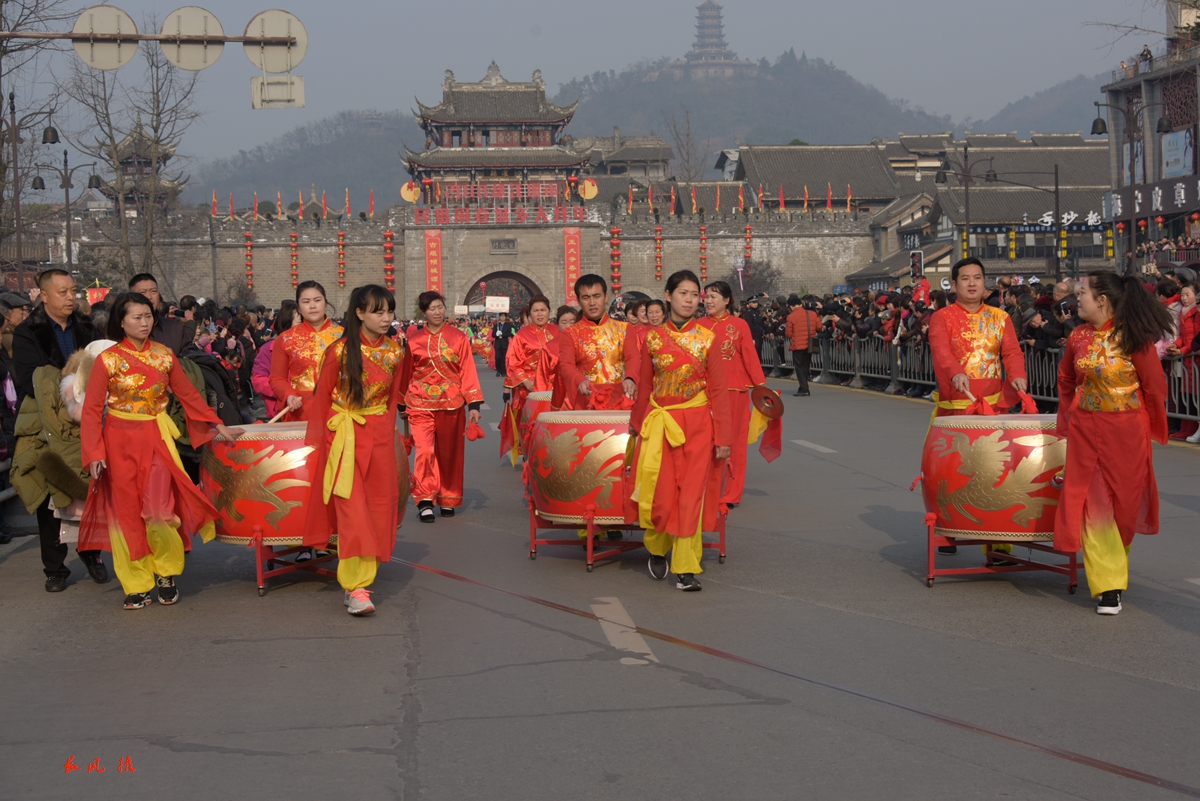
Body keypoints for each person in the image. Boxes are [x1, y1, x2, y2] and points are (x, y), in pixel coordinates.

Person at [79, 293, 243, 609]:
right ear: (121, 321)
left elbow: (188, 394)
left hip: (156, 437)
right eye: (136, 317)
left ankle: (166, 572)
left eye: (148, 316)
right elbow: (92, 409)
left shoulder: (164, 356)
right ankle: (137, 584)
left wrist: (216, 423)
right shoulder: (107, 360)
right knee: (126, 515)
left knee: (159, 511)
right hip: (117, 442)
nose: (144, 322)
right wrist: (94, 452)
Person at [1055, 272, 1172, 615]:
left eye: (1082, 293)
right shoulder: (1077, 336)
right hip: (1085, 429)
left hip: (1127, 431)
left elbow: (1154, 386)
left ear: (1102, 300)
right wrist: (1067, 419)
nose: (1077, 299)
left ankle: (1115, 562)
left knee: (1124, 507)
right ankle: (1108, 586)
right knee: (1093, 505)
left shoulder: (1133, 336)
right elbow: (1066, 379)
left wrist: (1152, 426)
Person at [303, 285, 409, 616]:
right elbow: (322, 400)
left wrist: (391, 437)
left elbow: (392, 399)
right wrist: (320, 444)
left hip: (379, 437)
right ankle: (357, 587)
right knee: (353, 510)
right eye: (378, 311)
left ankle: (361, 580)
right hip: (344, 437)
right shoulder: (338, 351)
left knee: (378, 509)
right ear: (359, 313)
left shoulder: (396, 352)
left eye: (389, 311)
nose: (386, 318)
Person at [631, 270, 732, 592]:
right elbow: (645, 386)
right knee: (661, 496)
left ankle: (686, 568)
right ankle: (657, 547)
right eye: (683, 293)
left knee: (690, 497)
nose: (689, 300)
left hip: (698, 425)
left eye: (694, 294)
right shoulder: (652, 338)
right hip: (661, 424)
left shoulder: (707, 338)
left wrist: (724, 437)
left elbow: (719, 390)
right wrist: (637, 425)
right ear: (668, 295)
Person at [10, 270, 107, 591]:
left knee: (90, 489)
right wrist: (72, 380)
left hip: (87, 420)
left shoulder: (86, 327)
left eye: (73, 291)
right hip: (45, 420)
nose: (70, 297)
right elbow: (30, 379)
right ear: (44, 295)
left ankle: (92, 554)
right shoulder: (28, 332)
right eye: (62, 292)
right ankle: (55, 568)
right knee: (51, 490)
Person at [928, 258, 1028, 558]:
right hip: (956, 407)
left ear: (985, 283)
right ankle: (947, 528)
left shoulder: (1000, 317)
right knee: (950, 473)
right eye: (965, 278)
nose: (972, 283)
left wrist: (1018, 375)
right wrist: (955, 372)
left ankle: (999, 544)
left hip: (993, 410)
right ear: (954, 284)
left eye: (977, 277)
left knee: (997, 474)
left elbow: (1011, 352)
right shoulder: (942, 318)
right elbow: (942, 352)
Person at [407, 291, 483, 523]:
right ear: (424, 313)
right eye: (432, 308)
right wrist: (400, 403)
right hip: (420, 404)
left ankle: (447, 497)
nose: (437, 312)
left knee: (449, 454)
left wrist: (474, 405)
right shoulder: (413, 341)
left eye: (440, 307)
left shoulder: (458, 338)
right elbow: (405, 374)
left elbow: (467, 371)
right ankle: (425, 498)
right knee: (425, 450)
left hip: (452, 404)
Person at [699, 281, 766, 508]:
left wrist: (761, 387)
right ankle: (705, 489)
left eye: (713, 296)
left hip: (734, 391)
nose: (708, 300)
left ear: (727, 300)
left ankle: (730, 494)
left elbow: (749, 357)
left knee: (734, 443)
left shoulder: (739, 325)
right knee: (705, 442)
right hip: (704, 392)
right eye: (707, 296)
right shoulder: (697, 326)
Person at [557, 274, 637, 411]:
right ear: (578, 300)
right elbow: (566, 365)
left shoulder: (624, 329)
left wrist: (631, 377)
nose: (592, 302)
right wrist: (579, 380)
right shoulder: (570, 334)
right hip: (587, 399)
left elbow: (633, 357)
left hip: (620, 399)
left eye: (597, 296)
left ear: (606, 297)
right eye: (586, 297)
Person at [269, 281, 342, 423]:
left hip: (338, 410)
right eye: (306, 301)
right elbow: (277, 378)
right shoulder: (286, 338)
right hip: (302, 410)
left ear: (326, 303)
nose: (312, 306)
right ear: (298, 307)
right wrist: (288, 394)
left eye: (317, 300)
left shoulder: (344, 336)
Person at [503, 295, 559, 460]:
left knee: (554, 425)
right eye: (536, 311)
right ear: (530, 314)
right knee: (531, 426)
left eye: (543, 310)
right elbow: (513, 363)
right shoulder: (521, 336)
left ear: (549, 312)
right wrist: (526, 381)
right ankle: (531, 458)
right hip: (529, 389)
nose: (540, 314)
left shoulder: (557, 331)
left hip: (556, 387)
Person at [251, 300, 299, 419]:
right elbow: (258, 380)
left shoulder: (313, 349)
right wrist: (283, 390)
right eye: (300, 323)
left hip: (308, 409)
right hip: (279, 411)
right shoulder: (268, 350)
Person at [129, 273, 186, 356]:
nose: (149, 297)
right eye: (143, 292)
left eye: (153, 291)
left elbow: (191, 355)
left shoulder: (175, 328)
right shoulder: (123, 328)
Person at [785, 294, 821, 397]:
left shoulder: (791, 317)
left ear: (791, 306)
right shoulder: (812, 314)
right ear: (801, 304)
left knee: (799, 367)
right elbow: (819, 326)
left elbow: (789, 334)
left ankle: (804, 389)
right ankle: (803, 387)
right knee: (806, 366)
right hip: (809, 344)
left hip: (798, 345)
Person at [492, 312, 516, 379]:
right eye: (501, 316)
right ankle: (498, 370)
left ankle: (503, 371)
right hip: (498, 344)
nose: (502, 317)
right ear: (499, 317)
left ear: (505, 317)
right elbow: (493, 335)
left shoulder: (508, 325)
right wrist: (496, 334)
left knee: (503, 358)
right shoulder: (496, 325)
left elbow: (509, 334)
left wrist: (502, 334)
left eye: (503, 316)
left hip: (504, 343)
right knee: (497, 357)